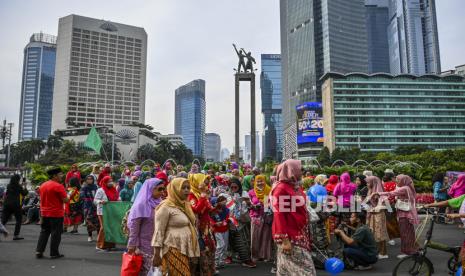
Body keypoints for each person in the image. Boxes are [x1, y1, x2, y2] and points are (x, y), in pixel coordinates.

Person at [272, 159, 316, 275]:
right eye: (299, 169)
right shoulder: (281, 188)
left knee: (285, 270)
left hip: (299, 232)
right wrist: (285, 240)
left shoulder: (294, 186)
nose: (301, 172)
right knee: (307, 271)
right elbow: (279, 215)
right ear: (291, 170)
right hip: (291, 237)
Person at [152, 178, 200, 276]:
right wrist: (157, 254)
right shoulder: (165, 207)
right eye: (183, 188)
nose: (187, 190)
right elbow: (158, 231)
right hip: (172, 247)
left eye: (188, 187)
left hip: (185, 248)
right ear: (175, 189)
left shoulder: (185, 205)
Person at [127, 178, 165, 275]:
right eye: (159, 189)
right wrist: (132, 245)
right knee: (146, 271)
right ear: (150, 189)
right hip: (143, 246)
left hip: (158, 244)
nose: (162, 192)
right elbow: (134, 228)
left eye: (163, 189)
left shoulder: (160, 203)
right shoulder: (141, 205)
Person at [378, 174, 419, 258]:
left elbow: (391, 193)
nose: (396, 181)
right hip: (405, 214)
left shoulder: (404, 188)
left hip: (404, 214)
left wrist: (378, 193)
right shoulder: (406, 187)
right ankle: (410, 250)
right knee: (408, 233)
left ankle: (407, 252)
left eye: (398, 180)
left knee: (405, 233)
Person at [35, 168, 69, 259]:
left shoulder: (43, 185)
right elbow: (66, 200)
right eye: (60, 174)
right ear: (54, 176)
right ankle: (54, 253)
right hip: (56, 213)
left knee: (44, 232)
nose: (62, 176)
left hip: (44, 213)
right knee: (56, 234)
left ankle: (39, 251)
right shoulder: (58, 186)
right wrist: (69, 195)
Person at [188, 173, 216, 275]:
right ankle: (203, 272)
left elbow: (208, 209)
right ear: (197, 182)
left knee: (211, 247)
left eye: (206, 182)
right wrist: (203, 196)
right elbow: (196, 210)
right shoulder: (191, 195)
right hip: (198, 228)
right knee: (203, 249)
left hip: (207, 225)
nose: (206, 184)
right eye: (204, 182)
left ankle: (210, 270)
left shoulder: (201, 193)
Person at [226, 177, 256, 268]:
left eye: (236, 187)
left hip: (244, 221)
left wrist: (248, 202)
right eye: (232, 187)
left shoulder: (244, 193)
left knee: (245, 241)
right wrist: (233, 202)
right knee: (236, 241)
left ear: (239, 186)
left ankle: (245, 259)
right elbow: (228, 208)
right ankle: (243, 259)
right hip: (233, 222)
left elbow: (250, 206)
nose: (234, 189)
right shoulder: (228, 195)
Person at [248, 174, 273, 261]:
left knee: (266, 236)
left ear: (264, 181)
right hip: (255, 216)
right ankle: (255, 256)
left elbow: (272, 203)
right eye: (258, 181)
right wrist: (253, 206)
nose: (260, 183)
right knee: (255, 236)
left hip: (266, 216)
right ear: (255, 182)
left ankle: (265, 255)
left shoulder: (269, 190)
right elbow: (248, 204)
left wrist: (266, 205)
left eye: (261, 181)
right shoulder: (251, 192)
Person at [365, 176, 389, 259]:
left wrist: (373, 208)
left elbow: (384, 205)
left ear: (373, 183)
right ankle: (378, 251)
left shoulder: (379, 192)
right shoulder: (370, 190)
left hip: (378, 215)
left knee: (380, 233)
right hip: (372, 215)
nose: (367, 184)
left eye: (368, 182)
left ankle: (383, 253)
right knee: (374, 233)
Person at [94, 176, 119, 251]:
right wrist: (100, 202)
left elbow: (118, 197)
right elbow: (95, 200)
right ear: (105, 182)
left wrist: (119, 200)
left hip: (112, 211)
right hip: (102, 211)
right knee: (104, 227)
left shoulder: (114, 190)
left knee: (112, 227)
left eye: (111, 181)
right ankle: (100, 245)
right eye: (109, 181)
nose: (111, 183)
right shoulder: (100, 190)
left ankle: (110, 245)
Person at [1, 174, 28, 240]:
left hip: (7, 204)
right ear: (18, 179)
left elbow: (7, 194)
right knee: (18, 220)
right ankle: (16, 235)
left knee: (4, 220)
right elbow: (24, 193)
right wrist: (25, 186)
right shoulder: (18, 186)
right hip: (16, 205)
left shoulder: (9, 185)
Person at [210, 194, 230, 269]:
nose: (223, 203)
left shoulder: (226, 209)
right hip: (217, 230)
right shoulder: (212, 211)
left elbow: (228, 217)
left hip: (225, 229)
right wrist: (215, 224)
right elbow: (210, 220)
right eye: (221, 202)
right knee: (220, 245)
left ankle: (221, 261)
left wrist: (227, 220)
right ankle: (215, 262)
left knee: (225, 246)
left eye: (224, 202)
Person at [382, 171, 399, 246]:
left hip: (386, 204)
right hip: (393, 204)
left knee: (388, 221)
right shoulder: (395, 184)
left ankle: (391, 238)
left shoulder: (383, 185)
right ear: (391, 177)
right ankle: (398, 235)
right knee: (393, 220)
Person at [81, 175, 99, 242]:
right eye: (88, 179)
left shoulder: (95, 187)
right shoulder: (84, 187)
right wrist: (87, 199)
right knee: (89, 221)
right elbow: (82, 196)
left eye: (91, 179)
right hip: (88, 206)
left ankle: (98, 235)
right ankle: (90, 236)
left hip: (96, 205)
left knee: (97, 221)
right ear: (86, 180)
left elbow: (98, 194)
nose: (89, 180)